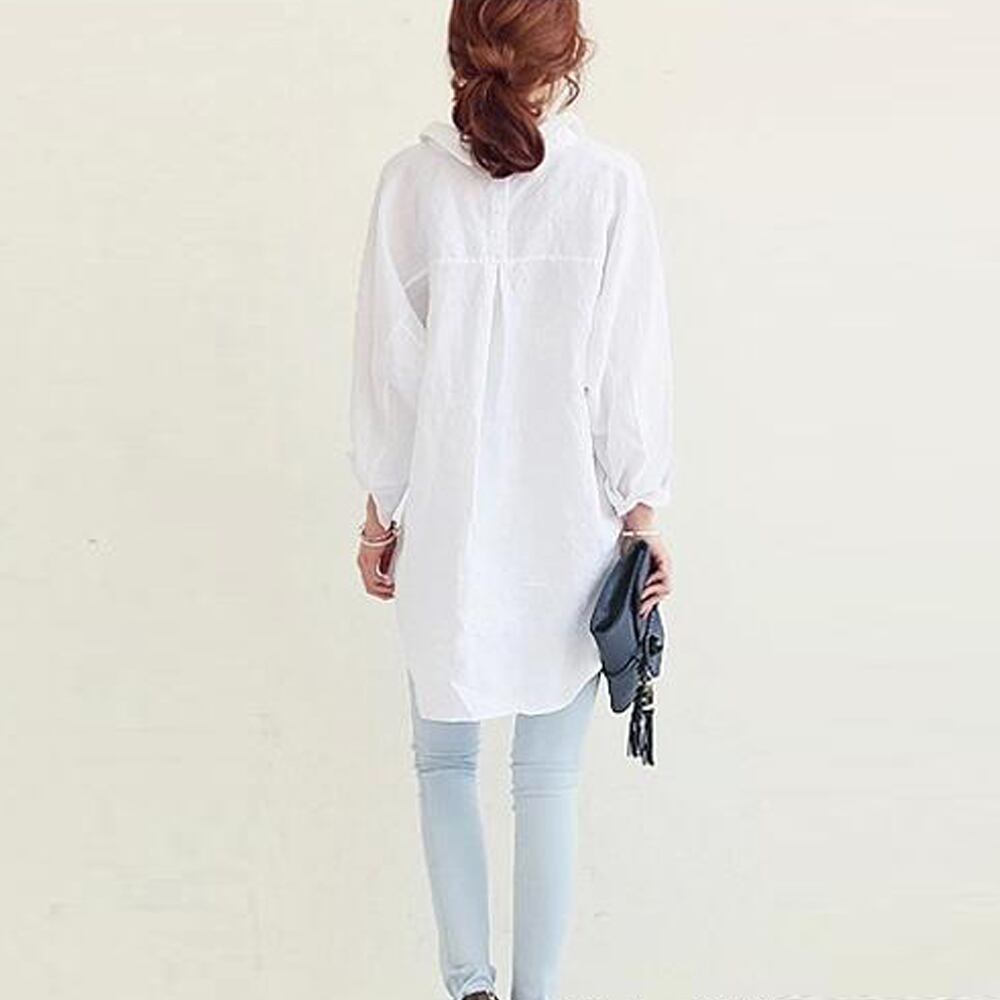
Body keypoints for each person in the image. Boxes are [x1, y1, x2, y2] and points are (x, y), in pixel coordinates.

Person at [347, 2, 673, 997]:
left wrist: (381, 513)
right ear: (570, 56)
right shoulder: (608, 185)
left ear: (459, 52)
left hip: (448, 525)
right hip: (568, 525)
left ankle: (469, 988)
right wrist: (642, 513)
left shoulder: (409, 185)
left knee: (444, 766)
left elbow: (390, 371)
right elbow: (629, 373)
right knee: (549, 782)